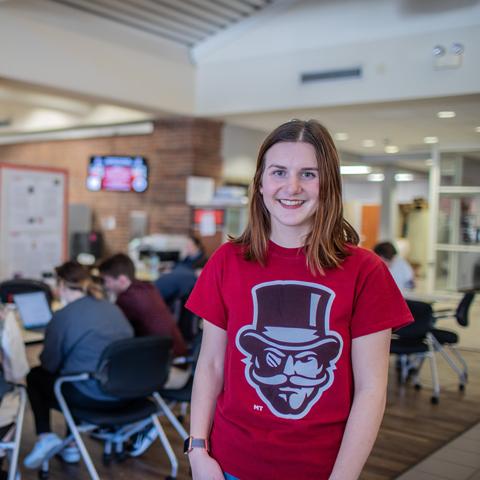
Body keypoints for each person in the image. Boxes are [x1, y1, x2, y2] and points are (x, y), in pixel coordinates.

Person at [185, 119, 413, 480]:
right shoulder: (226, 261)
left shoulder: (365, 272)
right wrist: (197, 451)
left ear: (328, 186)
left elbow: (371, 391)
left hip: (321, 469)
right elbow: (211, 364)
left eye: (309, 174)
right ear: (260, 183)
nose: (292, 187)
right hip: (228, 464)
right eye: (279, 172)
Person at [23, 261, 134, 469]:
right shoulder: (113, 309)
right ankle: (71, 443)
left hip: (90, 395)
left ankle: (45, 436)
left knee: (37, 376)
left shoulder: (63, 317)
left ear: (62, 285)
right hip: (124, 391)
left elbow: (49, 364)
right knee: (75, 373)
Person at [98, 253, 186, 357]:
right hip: (176, 349)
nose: (105, 286)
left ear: (122, 280)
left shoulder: (126, 299)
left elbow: (116, 331)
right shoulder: (148, 288)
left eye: (106, 281)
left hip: (161, 359)